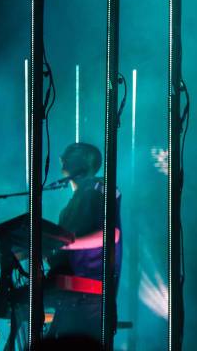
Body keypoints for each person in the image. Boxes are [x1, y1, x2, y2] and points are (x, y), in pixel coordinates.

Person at [46, 142, 123, 341]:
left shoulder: (100, 187)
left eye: (71, 153)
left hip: (90, 295)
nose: (63, 157)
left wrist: (64, 244)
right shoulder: (69, 208)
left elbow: (110, 235)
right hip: (71, 293)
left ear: (85, 162)